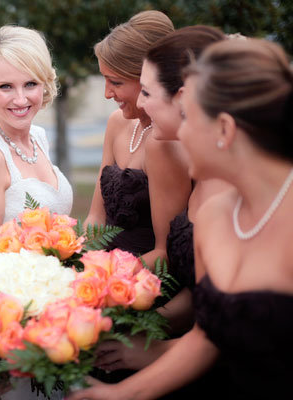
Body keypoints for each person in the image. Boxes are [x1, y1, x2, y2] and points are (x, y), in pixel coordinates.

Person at [67, 37, 293, 400]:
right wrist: (120, 393)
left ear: (225, 130)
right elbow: (207, 336)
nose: (179, 134)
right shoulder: (216, 216)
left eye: (189, 117)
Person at [94, 26, 230, 375]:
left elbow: (216, 310)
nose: (137, 102)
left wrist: (142, 331)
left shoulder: (219, 183)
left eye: (145, 90)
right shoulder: (205, 172)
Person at [0, 25, 72, 235]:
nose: (20, 99)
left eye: (30, 84)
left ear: (44, 84)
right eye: (6, 86)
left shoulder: (38, 137)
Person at [84, 11, 176, 268]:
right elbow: (95, 215)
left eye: (115, 82)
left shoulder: (167, 142)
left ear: (146, 78)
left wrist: (108, 279)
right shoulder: (116, 123)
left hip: (144, 280)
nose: (106, 93)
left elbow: (165, 251)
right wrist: (77, 259)